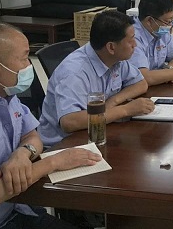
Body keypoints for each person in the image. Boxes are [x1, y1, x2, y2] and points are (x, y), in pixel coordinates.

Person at [0, 23, 101, 229]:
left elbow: (32, 135)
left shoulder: (6, 96)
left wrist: (23, 154)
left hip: (21, 209)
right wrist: (53, 162)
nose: (28, 66)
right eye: (24, 58)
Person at [39, 10, 155, 148]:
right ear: (111, 47)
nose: (135, 45)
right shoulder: (75, 73)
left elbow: (141, 83)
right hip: (64, 144)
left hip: (96, 134)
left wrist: (113, 101)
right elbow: (70, 122)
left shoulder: (114, 59)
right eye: (131, 40)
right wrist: (126, 110)